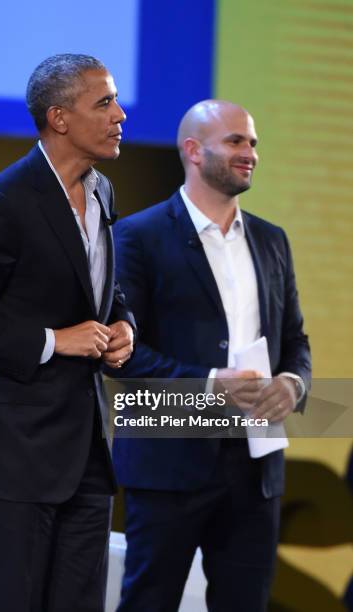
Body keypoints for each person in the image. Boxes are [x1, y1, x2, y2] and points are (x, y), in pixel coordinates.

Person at [0, 53, 135, 612]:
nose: (120, 114)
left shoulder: (103, 193)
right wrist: (53, 340)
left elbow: (103, 293)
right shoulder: (5, 201)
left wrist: (123, 326)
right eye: (105, 102)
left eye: (116, 100)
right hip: (15, 457)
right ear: (59, 118)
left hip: (87, 454)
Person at [110, 100, 311, 611]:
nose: (251, 154)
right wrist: (207, 383)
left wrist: (293, 384)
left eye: (254, 143)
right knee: (148, 601)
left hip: (255, 465)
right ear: (193, 151)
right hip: (168, 461)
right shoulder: (139, 237)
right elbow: (121, 356)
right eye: (237, 142)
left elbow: (295, 339)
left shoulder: (272, 240)